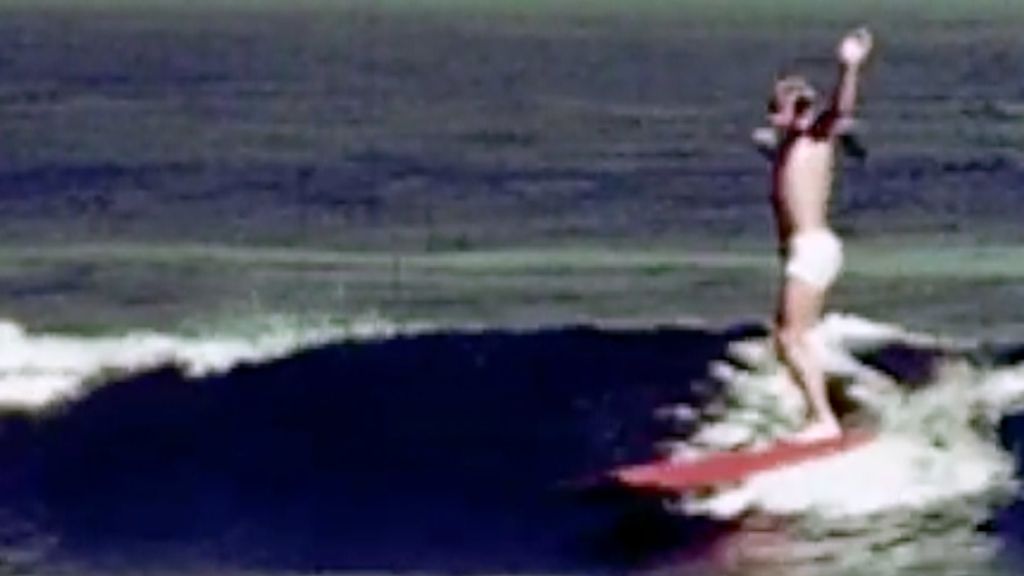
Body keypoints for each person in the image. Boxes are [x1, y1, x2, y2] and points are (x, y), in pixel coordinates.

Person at [760, 27, 874, 442]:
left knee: (790, 336)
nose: (774, 115)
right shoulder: (789, 145)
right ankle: (824, 411)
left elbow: (839, 111)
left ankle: (822, 420)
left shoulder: (814, 137)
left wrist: (849, 68)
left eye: (782, 108)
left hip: (812, 250)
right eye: (773, 108)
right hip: (806, 252)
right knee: (789, 337)